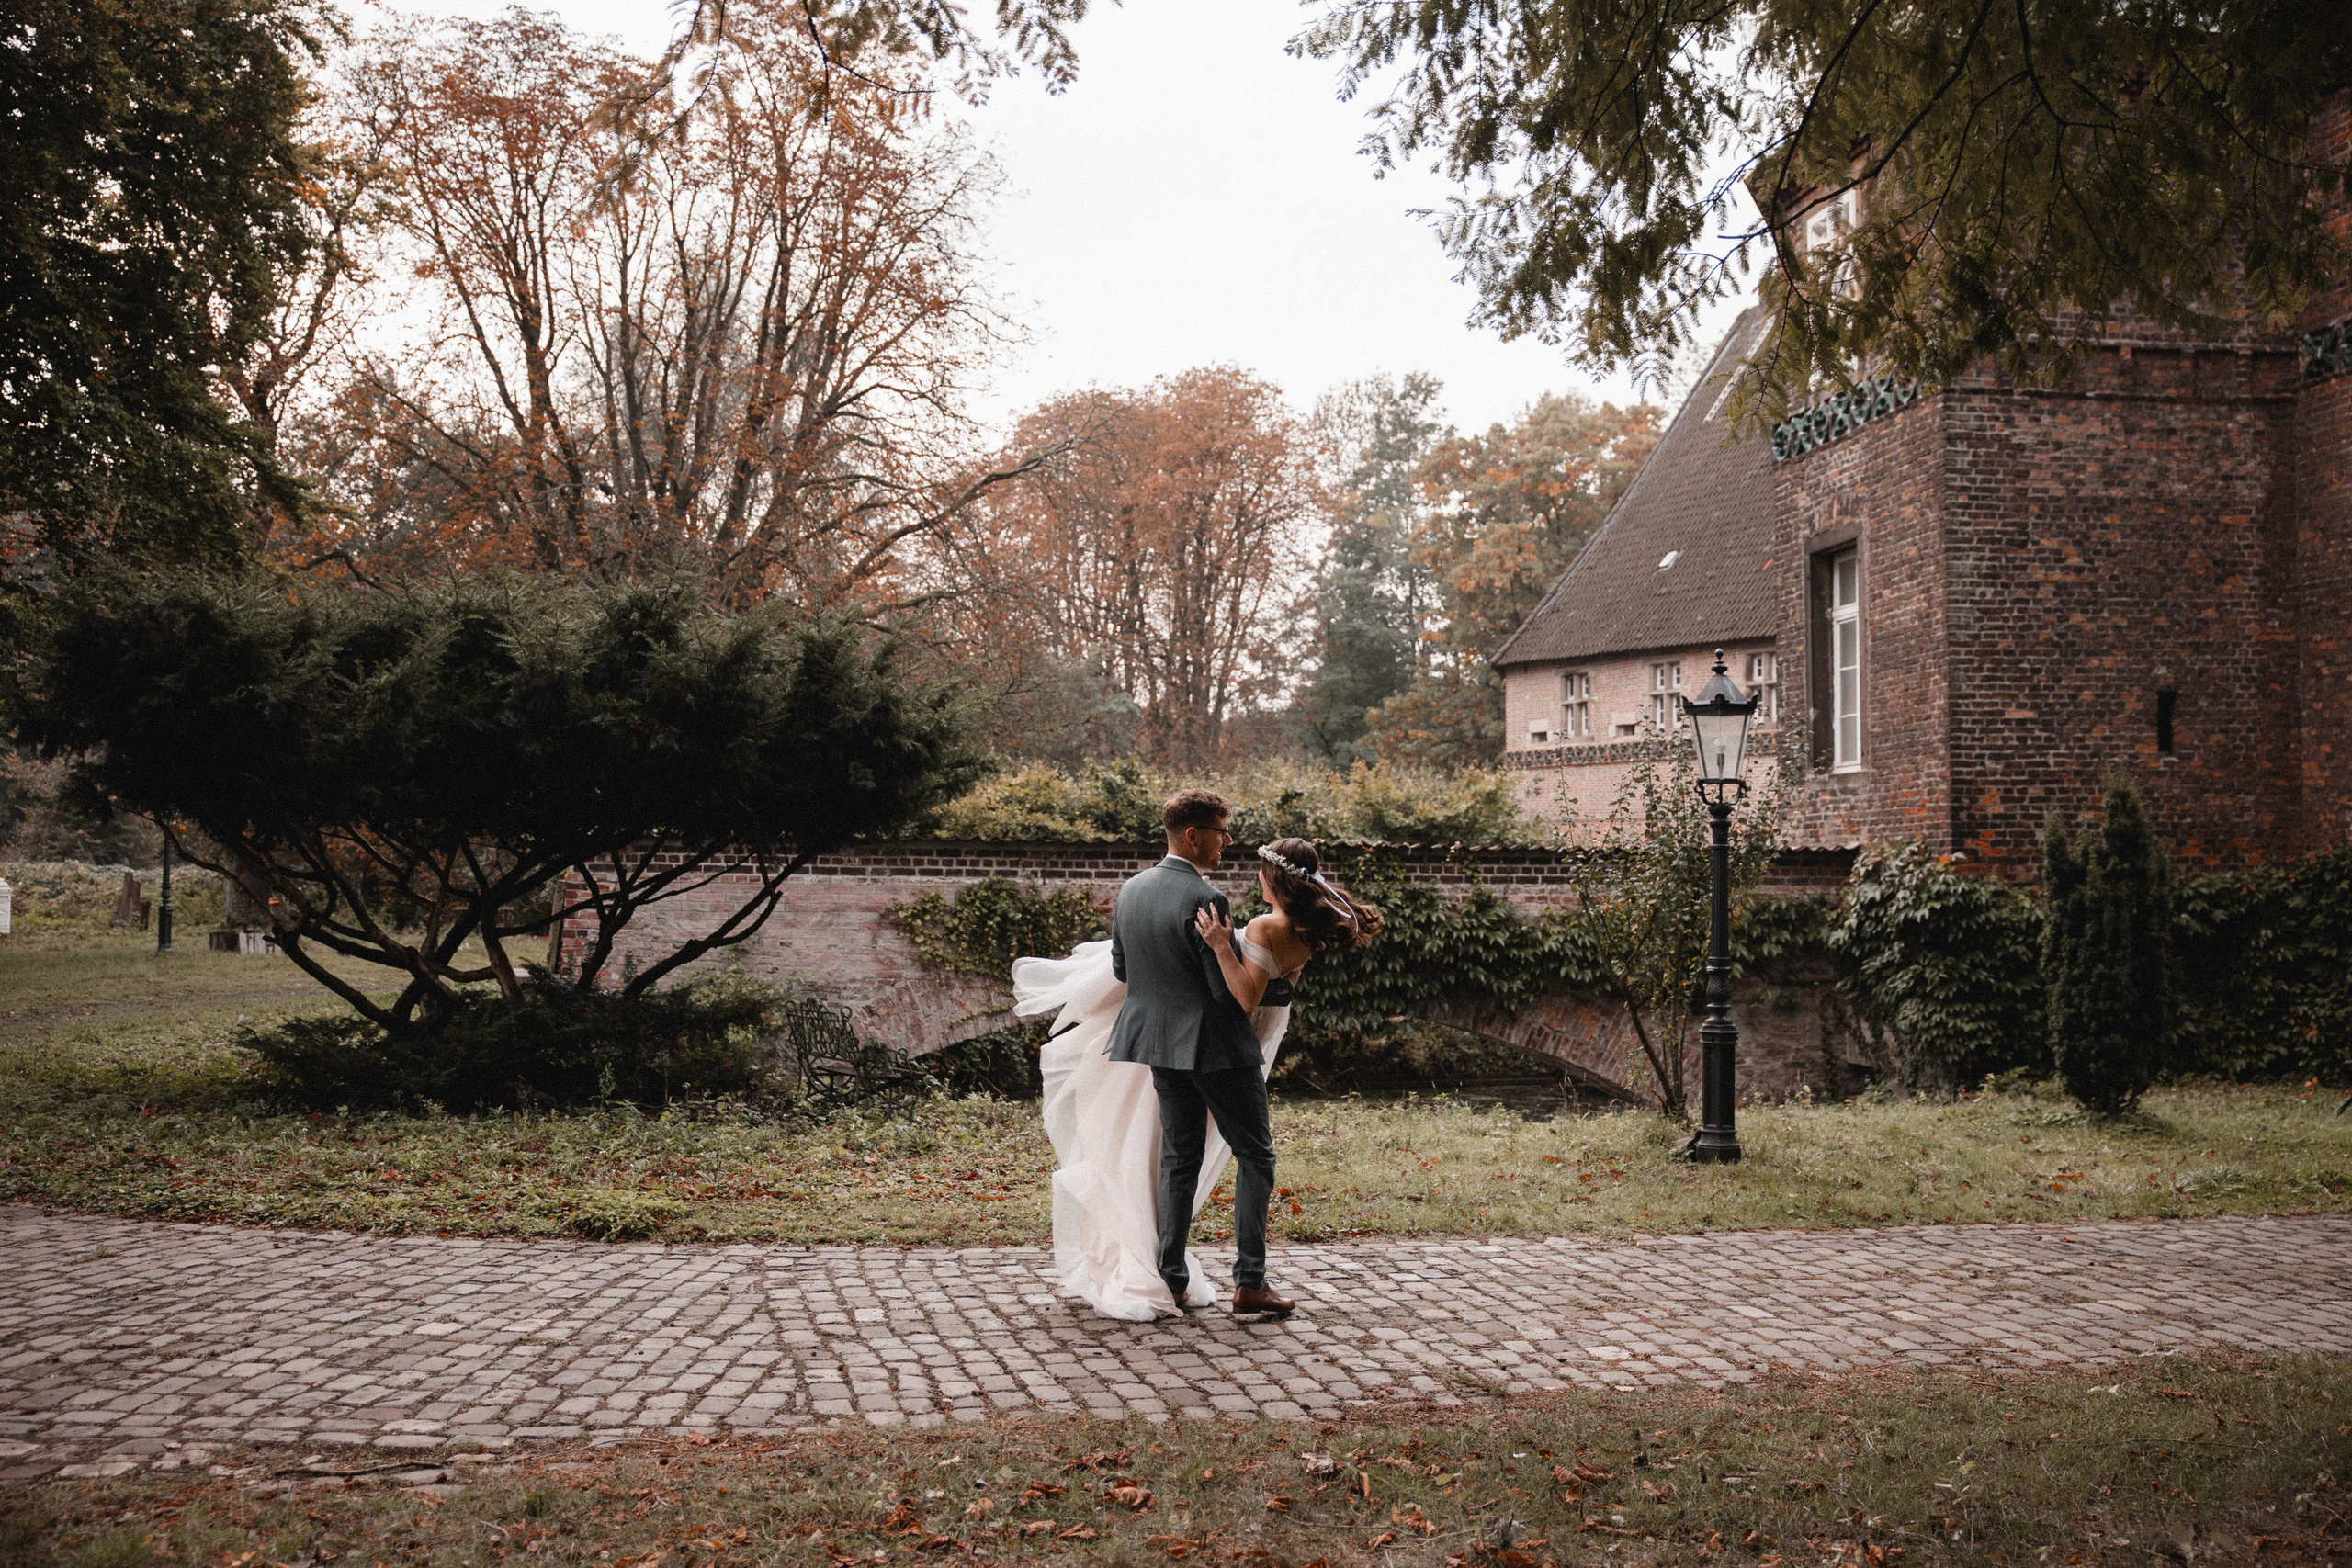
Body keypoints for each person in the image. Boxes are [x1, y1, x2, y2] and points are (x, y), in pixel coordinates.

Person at [1010, 792, 1382, 1322]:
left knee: (1178, 1159)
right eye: (1221, 831)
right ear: (1193, 835)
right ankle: (1251, 1282)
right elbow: (1229, 997)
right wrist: (1232, 958)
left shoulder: (1132, 889)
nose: (1227, 841)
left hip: (1157, 1045)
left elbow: (1122, 969)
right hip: (1218, 1049)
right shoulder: (1209, 899)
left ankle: (1172, 1278)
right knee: (1257, 1157)